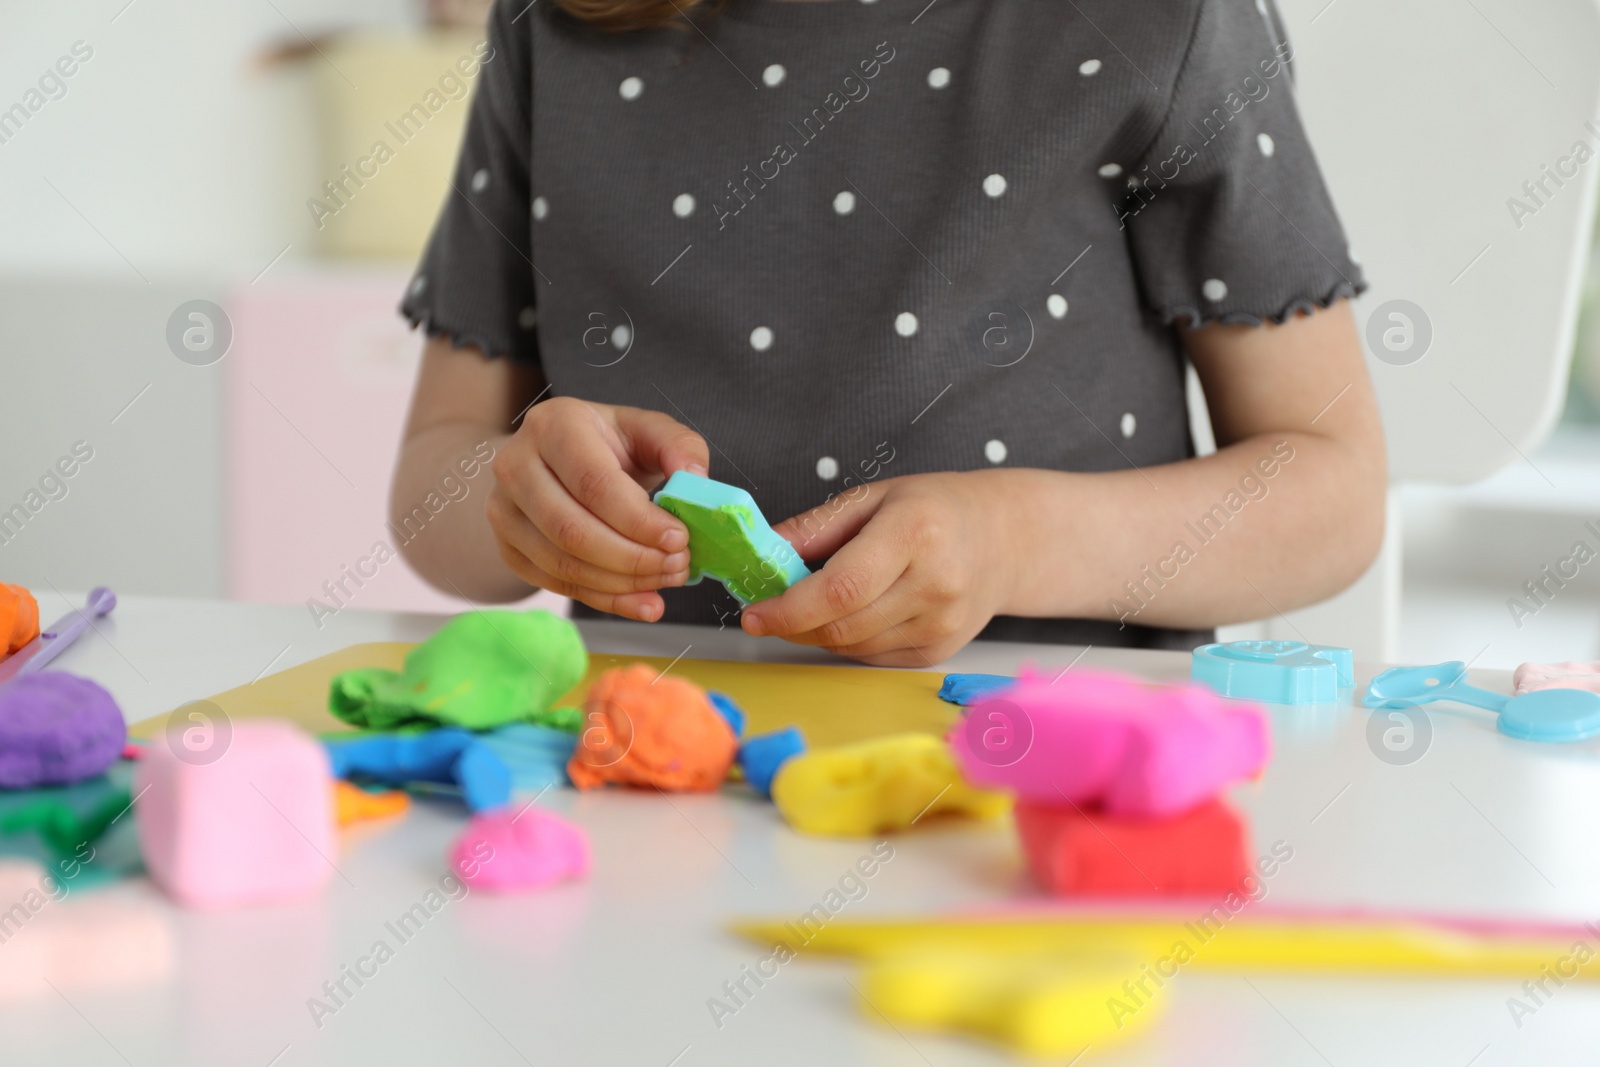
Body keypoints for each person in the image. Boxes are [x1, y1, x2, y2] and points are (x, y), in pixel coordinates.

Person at [393, 0, 1387, 666]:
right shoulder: (558, 27)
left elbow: (1330, 494)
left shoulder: (1155, 18)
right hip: (657, 768)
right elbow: (430, 492)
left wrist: (1015, 538)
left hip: (1042, 783)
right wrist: (519, 501)